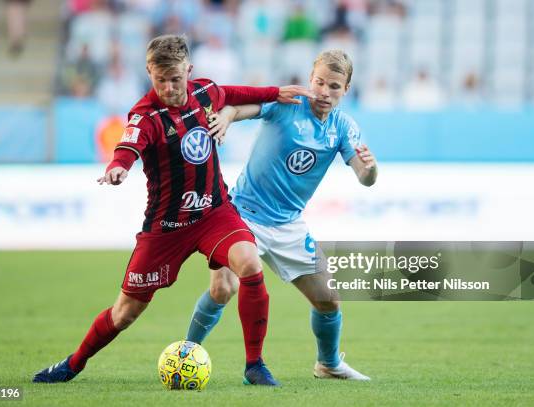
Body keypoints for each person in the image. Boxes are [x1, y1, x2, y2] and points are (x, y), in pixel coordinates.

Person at [32, 34, 313, 386]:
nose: (168, 87)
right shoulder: (145, 116)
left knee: (250, 265)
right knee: (125, 313)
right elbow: (128, 144)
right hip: (166, 227)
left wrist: (275, 92)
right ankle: (73, 364)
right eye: (159, 79)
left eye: (175, 79)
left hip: (214, 213)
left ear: (188, 71)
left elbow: (235, 93)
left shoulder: (204, 91)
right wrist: (118, 167)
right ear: (149, 72)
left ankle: (254, 366)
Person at [185, 49, 377, 381]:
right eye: (319, 82)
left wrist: (370, 168)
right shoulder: (288, 103)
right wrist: (228, 115)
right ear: (310, 78)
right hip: (242, 213)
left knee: (329, 299)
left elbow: (364, 176)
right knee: (223, 289)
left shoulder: (344, 126)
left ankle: (328, 364)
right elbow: (247, 108)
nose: (324, 92)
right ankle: (185, 352)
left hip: (288, 223)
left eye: (334, 86)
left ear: (346, 89)